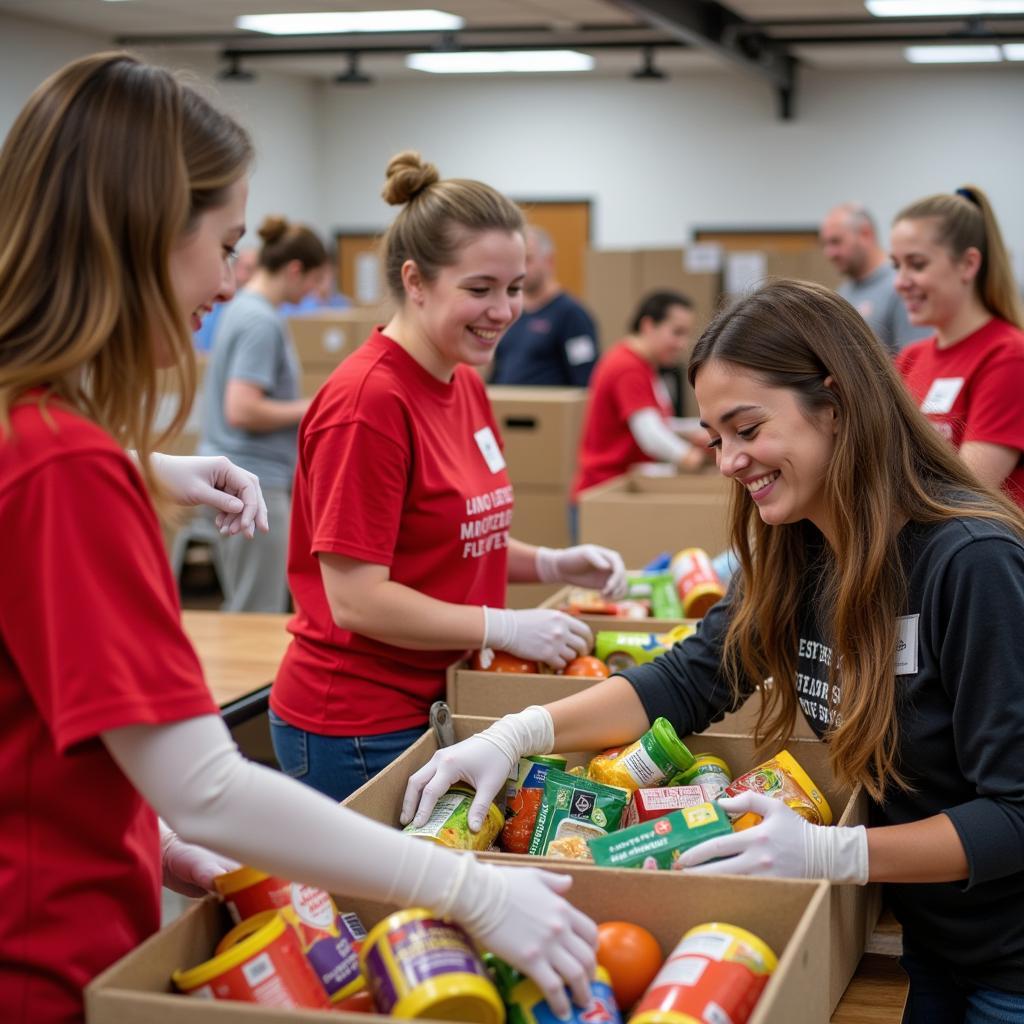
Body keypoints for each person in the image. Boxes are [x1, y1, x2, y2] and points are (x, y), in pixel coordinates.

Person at [0, 54, 598, 1024]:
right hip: (44, 960)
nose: (235, 279)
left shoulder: (48, 442)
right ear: (146, 234)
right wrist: (473, 889)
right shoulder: (64, 466)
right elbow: (206, 782)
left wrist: (144, 833)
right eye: (226, 242)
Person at [405, 279, 1024, 1024]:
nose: (729, 460)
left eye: (748, 428)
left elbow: (1016, 811)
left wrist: (840, 854)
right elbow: (689, 679)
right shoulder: (802, 549)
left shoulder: (971, 562)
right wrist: (520, 732)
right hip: (939, 943)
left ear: (835, 403)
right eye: (715, 438)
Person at [269, 151, 627, 802]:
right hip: (356, 723)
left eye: (515, 287)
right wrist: (503, 626)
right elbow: (356, 598)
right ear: (416, 280)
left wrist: (551, 563)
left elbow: (459, 536)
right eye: (480, 289)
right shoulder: (368, 403)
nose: (504, 310)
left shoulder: (463, 381)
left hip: (434, 698)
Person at [198, 215, 325, 611]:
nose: (314, 292)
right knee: (257, 609)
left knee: (247, 603)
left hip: (239, 477)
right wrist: (314, 406)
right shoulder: (260, 321)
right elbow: (242, 409)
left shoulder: (244, 310)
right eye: (312, 280)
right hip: (252, 479)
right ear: (294, 270)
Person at [891, 185, 1024, 510]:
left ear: (968, 264)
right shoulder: (911, 358)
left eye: (917, 264)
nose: (900, 281)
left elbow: (966, 492)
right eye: (897, 266)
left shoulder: (1009, 356)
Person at [571, 290, 708, 509]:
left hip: (614, 491)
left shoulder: (643, 365)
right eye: (677, 332)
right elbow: (650, 433)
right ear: (648, 325)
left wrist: (697, 429)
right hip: (606, 493)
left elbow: (654, 422)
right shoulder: (628, 368)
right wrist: (688, 457)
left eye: (686, 334)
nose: (682, 344)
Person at [489, 225, 599, 386]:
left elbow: (585, 380)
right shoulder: (510, 312)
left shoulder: (572, 315)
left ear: (549, 261)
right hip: (505, 409)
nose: (521, 269)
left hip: (548, 410)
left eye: (528, 259)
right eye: (516, 261)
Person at [820, 202, 929, 355]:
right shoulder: (843, 292)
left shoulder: (901, 287)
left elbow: (917, 362)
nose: (830, 253)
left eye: (836, 242)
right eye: (825, 244)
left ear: (865, 234)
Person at [193, 245, 257, 352]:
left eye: (250, 270)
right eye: (246, 268)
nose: (241, 274)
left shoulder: (256, 311)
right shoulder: (209, 307)